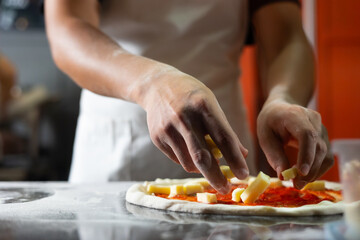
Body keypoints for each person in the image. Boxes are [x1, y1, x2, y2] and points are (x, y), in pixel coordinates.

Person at [45, 0, 334, 194]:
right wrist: (151, 82)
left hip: (229, 139)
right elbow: (67, 28)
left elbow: (286, 37)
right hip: (117, 147)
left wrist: (282, 96)